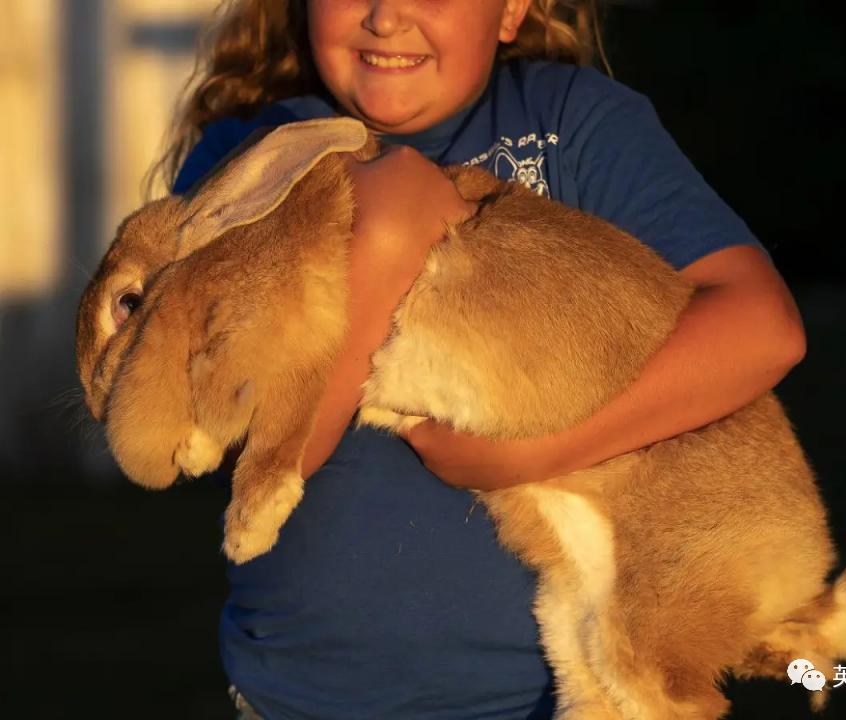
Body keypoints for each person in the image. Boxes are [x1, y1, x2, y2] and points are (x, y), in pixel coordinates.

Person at [155, 1, 807, 718]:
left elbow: (764, 329)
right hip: (304, 696)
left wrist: (534, 446)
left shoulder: (573, 121)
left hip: (546, 696)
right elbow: (218, 436)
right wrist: (388, 238)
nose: (387, 14)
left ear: (511, 10)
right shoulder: (254, 151)